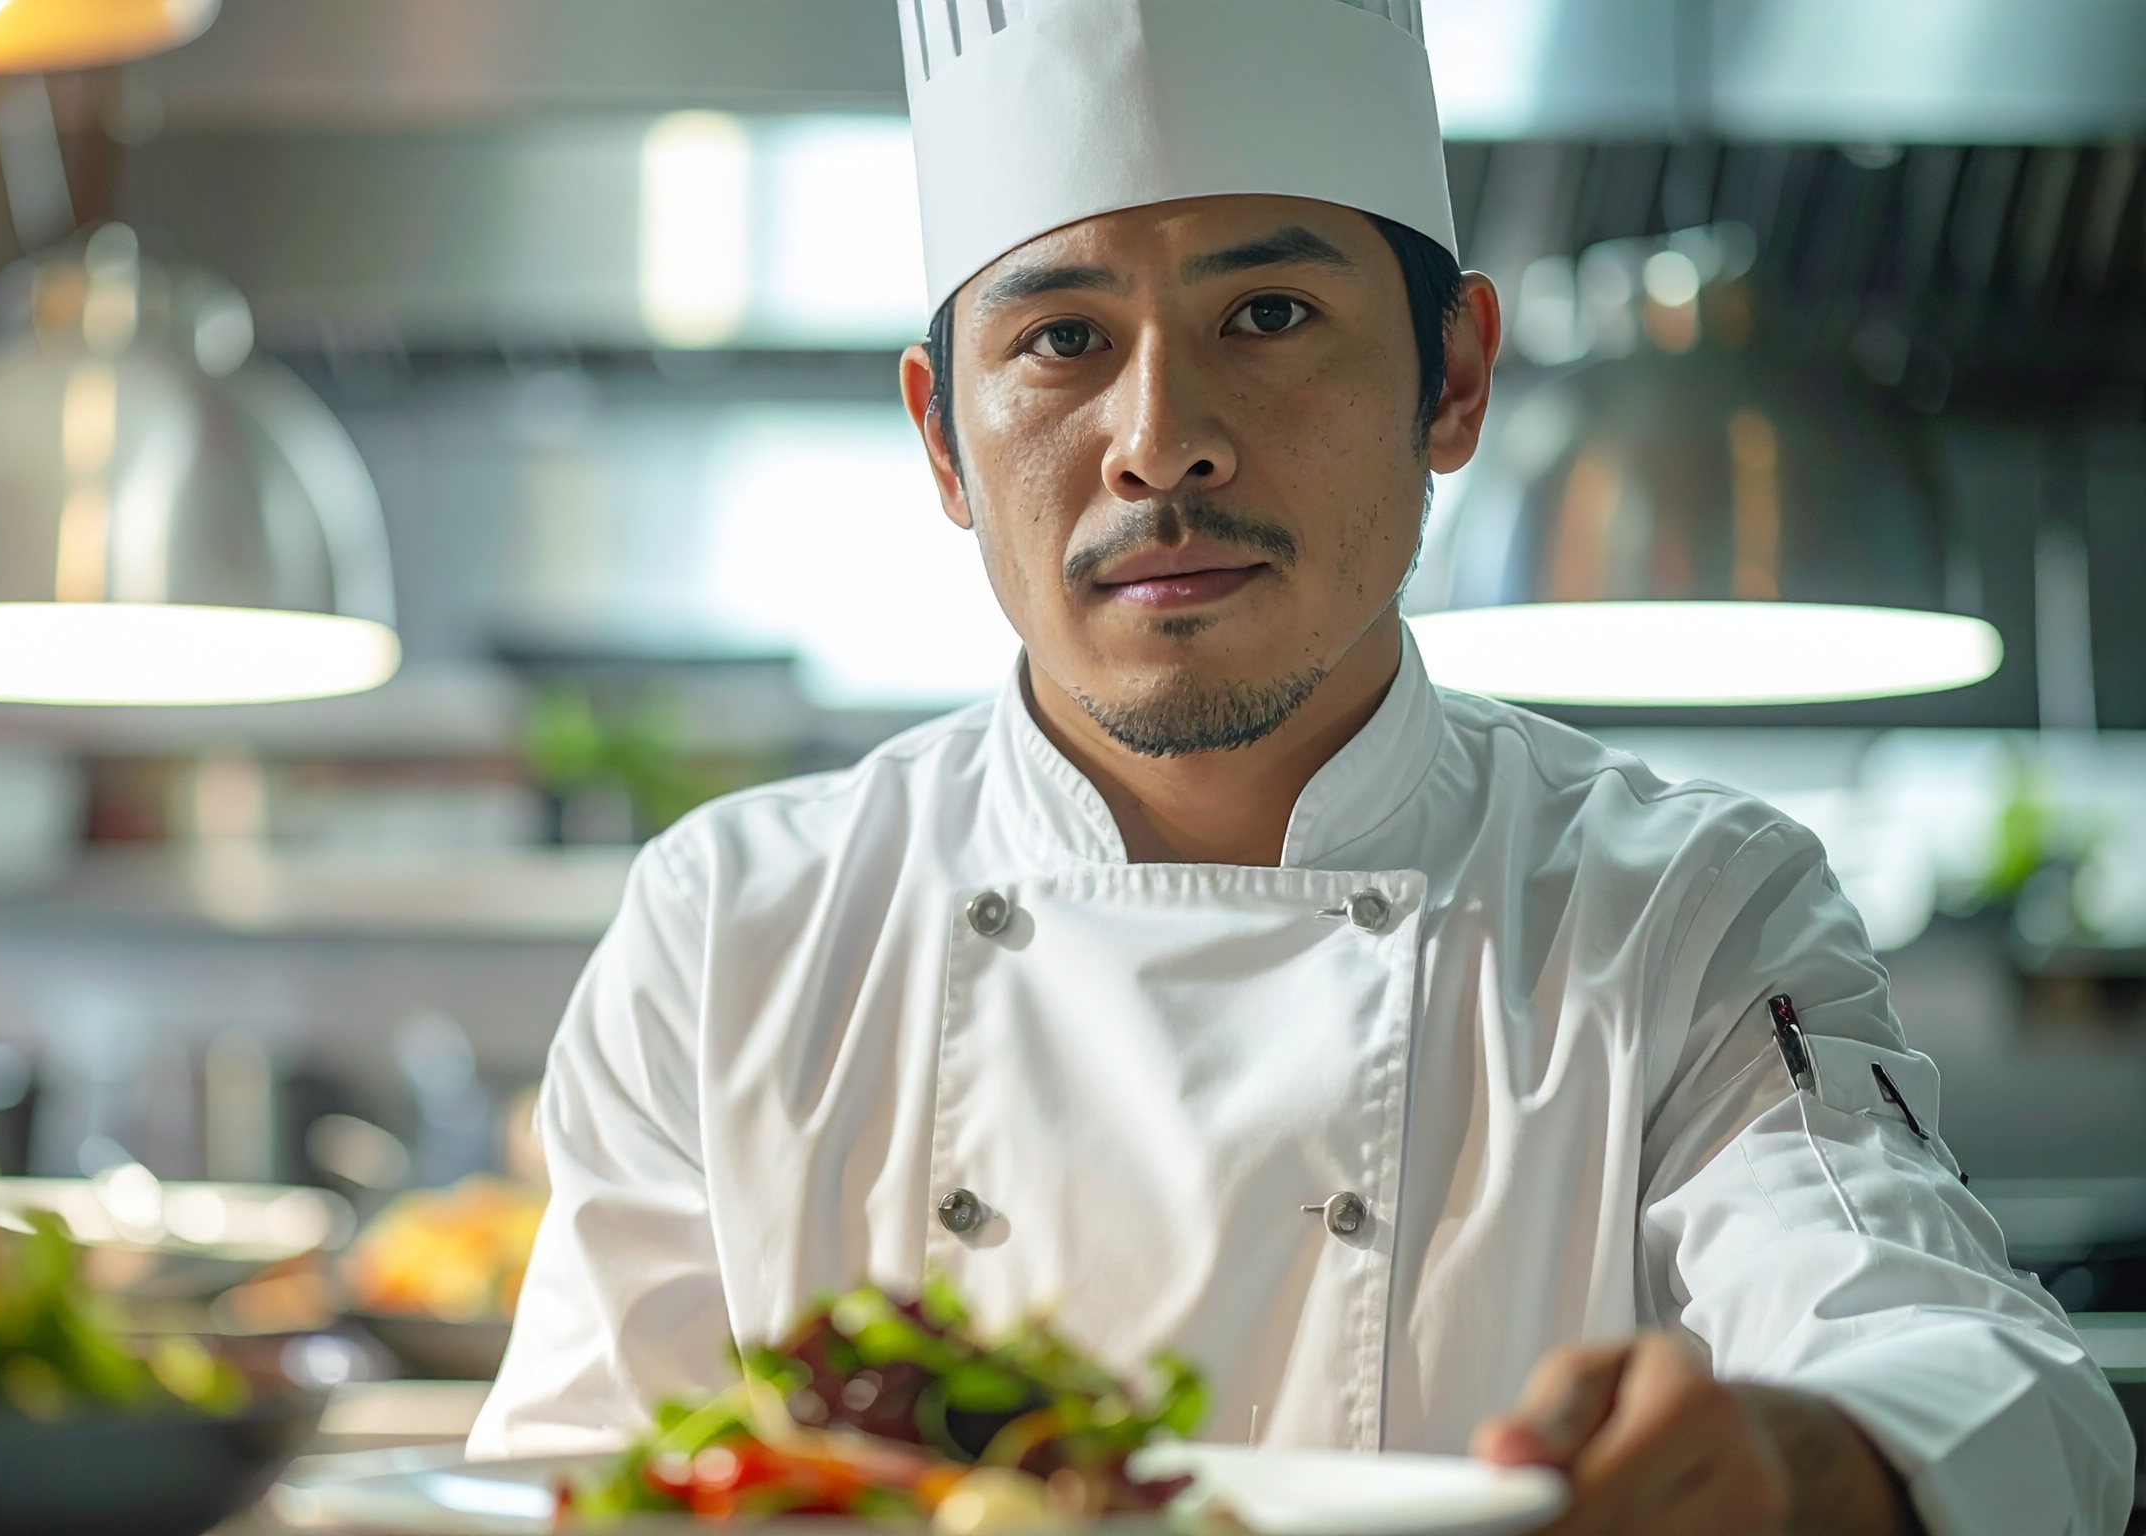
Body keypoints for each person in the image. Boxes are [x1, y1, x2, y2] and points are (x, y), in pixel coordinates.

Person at [469, 3, 2134, 1532]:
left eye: (1268, 314)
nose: (1160, 441)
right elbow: (568, 1487)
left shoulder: (1679, 912)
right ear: (941, 439)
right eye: (1060, 337)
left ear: (1453, 378)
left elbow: (1983, 1377)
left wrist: (1806, 1462)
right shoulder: (732, 930)